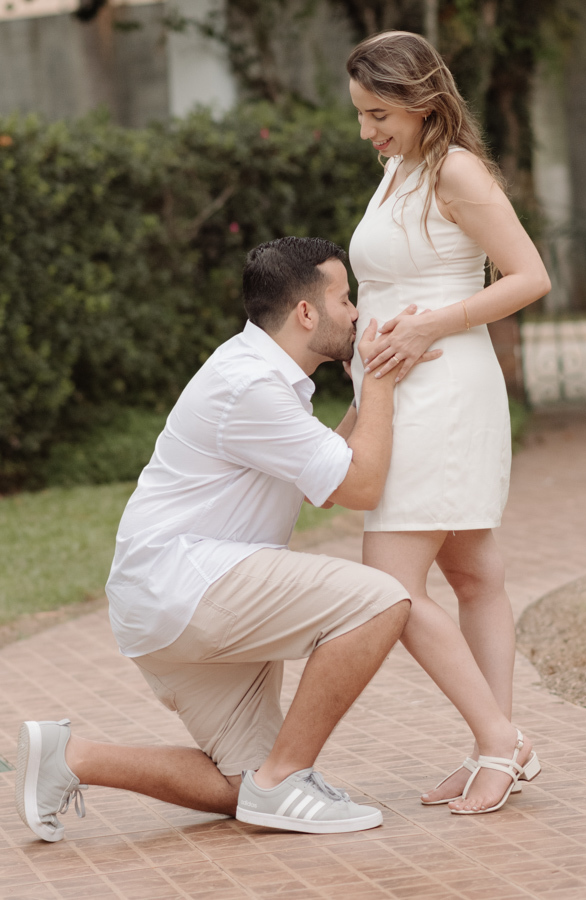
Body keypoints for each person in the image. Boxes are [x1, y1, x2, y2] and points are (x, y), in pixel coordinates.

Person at [15, 236, 437, 843]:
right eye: (345, 299)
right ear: (306, 312)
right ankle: (287, 778)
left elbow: (327, 481)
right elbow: (362, 486)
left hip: (164, 598)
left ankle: (71, 757)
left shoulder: (261, 374)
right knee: (381, 601)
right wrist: (382, 384)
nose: (356, 314)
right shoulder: (251, 386)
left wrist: (365, 387)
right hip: (186, 583)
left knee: (244, 785)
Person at [345, 31, 550, 814]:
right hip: (401, 394)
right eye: (360, 114)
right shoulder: (398, 168)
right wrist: (361, 395)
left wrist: (435, 323)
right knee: (472, 574)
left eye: (378, 114)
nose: (366, 131)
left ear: (423, 103)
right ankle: (492, 747)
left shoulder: (456, 169)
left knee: (389, 586)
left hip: (446, 394)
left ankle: (501, 741)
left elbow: (530, 276)